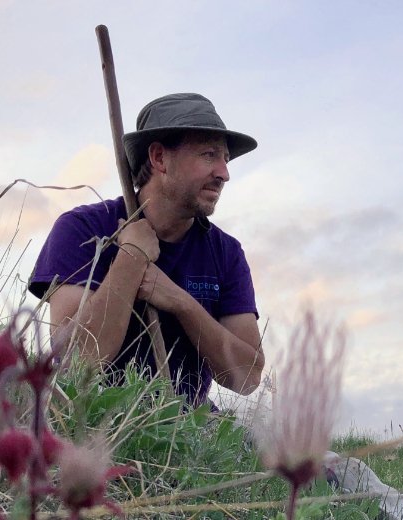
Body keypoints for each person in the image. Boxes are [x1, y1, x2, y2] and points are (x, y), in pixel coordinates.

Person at [29, 93, 264, 405]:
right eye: (209, 155)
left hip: (188, 428)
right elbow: (77, 363)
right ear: (158, 158)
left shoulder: (226, 253)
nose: (224, 173)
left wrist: (181, 303)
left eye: (225, 158)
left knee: (322, 456)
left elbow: (247, 377)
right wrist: (131, 259)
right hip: (91, 417)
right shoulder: (83, 229)